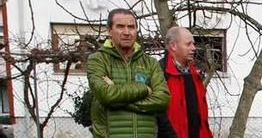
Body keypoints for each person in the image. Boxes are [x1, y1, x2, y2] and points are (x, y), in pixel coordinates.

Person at [86, 8, 170, 138]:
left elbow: (162, 100)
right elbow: (105, 95)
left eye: (131, 27)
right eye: (120, 26)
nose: (126, 32)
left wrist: (116, 97)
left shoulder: (150, 63)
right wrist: (144, 89)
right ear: (109, 30)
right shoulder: (98, 60)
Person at [157, 27, 213, 138]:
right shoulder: (160, 73)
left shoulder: (194, 74)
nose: (193, 48)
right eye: (188, 44)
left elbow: (201, 117)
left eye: (193, 44)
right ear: (173, 46)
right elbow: (157, 116)